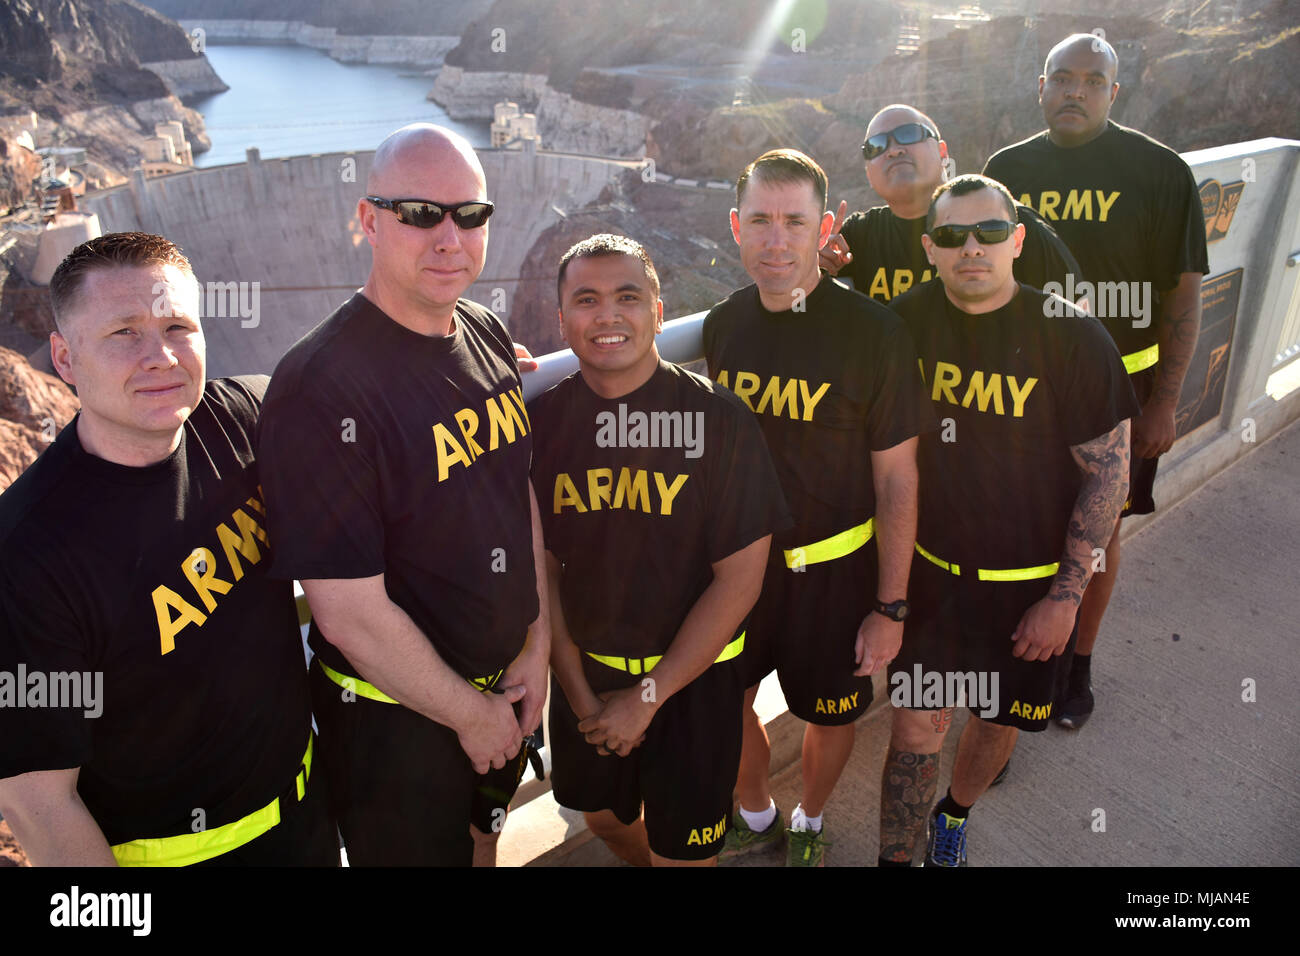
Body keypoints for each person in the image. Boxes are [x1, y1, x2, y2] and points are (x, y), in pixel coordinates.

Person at [256, 124, 550, 867]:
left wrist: (537, 639)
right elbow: (350, 613)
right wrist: (474, 714)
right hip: (397, 729)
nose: (450, 238)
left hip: (503, 689)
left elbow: (515, 495)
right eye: (421, 213)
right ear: (369, 221)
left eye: (470, 215)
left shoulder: (482, 331)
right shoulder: (319, 386)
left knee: (485, 843)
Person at [0, 232, 337, 866]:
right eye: (124, 333)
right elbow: (38, 804)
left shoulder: (239, 416)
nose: (160, 356)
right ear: (65, 360)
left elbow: (359, 413)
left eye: (178, 326)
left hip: (307, 822)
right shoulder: (25, 556)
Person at [884, 174, 1137, 866]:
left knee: (996, 721)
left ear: (1017, 240)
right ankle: (895, 860)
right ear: (930, 248)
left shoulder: (1072, 336)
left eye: (989, 232)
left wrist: (1065, 598)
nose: (972, 248)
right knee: (915, 731)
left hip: (1027, 586)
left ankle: (956, 817)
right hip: (932, 580)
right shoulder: (904, 323)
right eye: (952, 236)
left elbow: (1108, 476)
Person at [530, 234, 789, 866]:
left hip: (694, 683)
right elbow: (543, 577)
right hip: (585, 673)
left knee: (687, 853)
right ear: (561, 320)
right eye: (586, 300)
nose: (608, 315)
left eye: (628, 296)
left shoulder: (720, 421)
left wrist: (647, 697)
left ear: (658, 309)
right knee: (602, 816)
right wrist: (581, 692)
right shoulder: (540, 426)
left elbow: (739, 583)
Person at [704, 149, 930, 867]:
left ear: (824, 227)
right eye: (761, 221)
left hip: (834, 576)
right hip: (738, 573)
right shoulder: (724, 325)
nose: (776, 240)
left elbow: (898, 479)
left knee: (829, 715)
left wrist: (890, 608)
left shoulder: (873, 334)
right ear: (736, 227)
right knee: (729, 702)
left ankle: (808, 819)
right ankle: (756, 810)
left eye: (794, 222)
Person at [984, 34, 1209, 729]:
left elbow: (1184, 294)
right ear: (1041, 86)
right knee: (1016, 526)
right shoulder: (1006, 168)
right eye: (1062, 78)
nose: (1075, 91)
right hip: (1023, 393)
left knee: (1097, 535)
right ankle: (1011, 664)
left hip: (1123, 394)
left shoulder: (1161, 172)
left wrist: (1166, 399)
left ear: (1114, 92)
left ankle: (1077, 665)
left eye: (1092, 80)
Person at [819, 104, 1082, 306]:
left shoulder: (1005, 225)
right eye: (876, 146)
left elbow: (1076, 325)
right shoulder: (854, 241)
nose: (893, 150)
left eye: (908, 135)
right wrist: (815, 271)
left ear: (943, 153)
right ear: (868, 172)